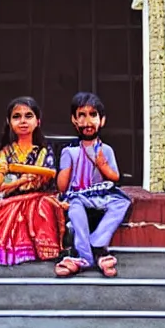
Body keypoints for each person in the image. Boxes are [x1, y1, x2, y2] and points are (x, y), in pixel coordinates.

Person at [0, 96, 66, 266]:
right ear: (9, 121)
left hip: (41, 197)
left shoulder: (43, 151)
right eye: (16, 116)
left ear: (38, 121)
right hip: (12, 200)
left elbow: (49, 174)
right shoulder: (6, 152)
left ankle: (43, 249)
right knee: (13, 213)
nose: (23, 121)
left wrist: (19, 170)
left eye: (28, 116)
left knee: (42, 207)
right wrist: (20, 181)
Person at [55, 92, 131, 278]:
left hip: (100, 195)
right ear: (74, 120)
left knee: (122, 202)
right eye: (82, 115)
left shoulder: (106, 150)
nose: (87, 121)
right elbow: (62, 187)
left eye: (93, 115)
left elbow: (114, 178)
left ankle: (98, 241)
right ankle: (86, 256)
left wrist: (102, 164)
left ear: (102, 120)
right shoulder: (70, 151)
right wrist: (66, 166)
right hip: (79, 196)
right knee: (75, 208)